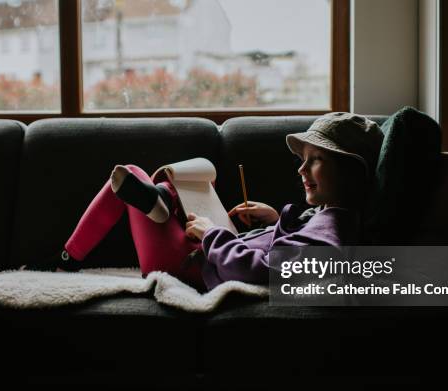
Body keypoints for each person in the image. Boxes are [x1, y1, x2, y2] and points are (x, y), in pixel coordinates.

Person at [21, 112, 384, 292]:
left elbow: (262, 271)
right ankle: (161, 199)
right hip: (203, 254)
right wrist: (274, 221)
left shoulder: (331, 230)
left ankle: (66, 261)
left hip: (184, 267)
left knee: (130, 174)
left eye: (316, 160)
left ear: (351, 170)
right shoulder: (327, 215)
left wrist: (213, 235)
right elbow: (288, 247)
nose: (302, 169)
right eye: (302, 159)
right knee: (158, 187)